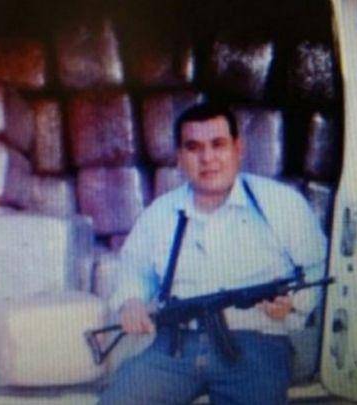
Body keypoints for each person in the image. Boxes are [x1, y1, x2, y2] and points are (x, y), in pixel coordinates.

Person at [99, 103, 327, 405]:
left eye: (218, 144)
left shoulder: (281, 203)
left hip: (256, 343)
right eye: (193, 147)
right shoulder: (160, 212)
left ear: (238, 148)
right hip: (175, 345)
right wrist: (131, 302)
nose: (207, 158)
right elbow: (134, 269)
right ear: (180, 158)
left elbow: (318, 267)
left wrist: (293, 303)